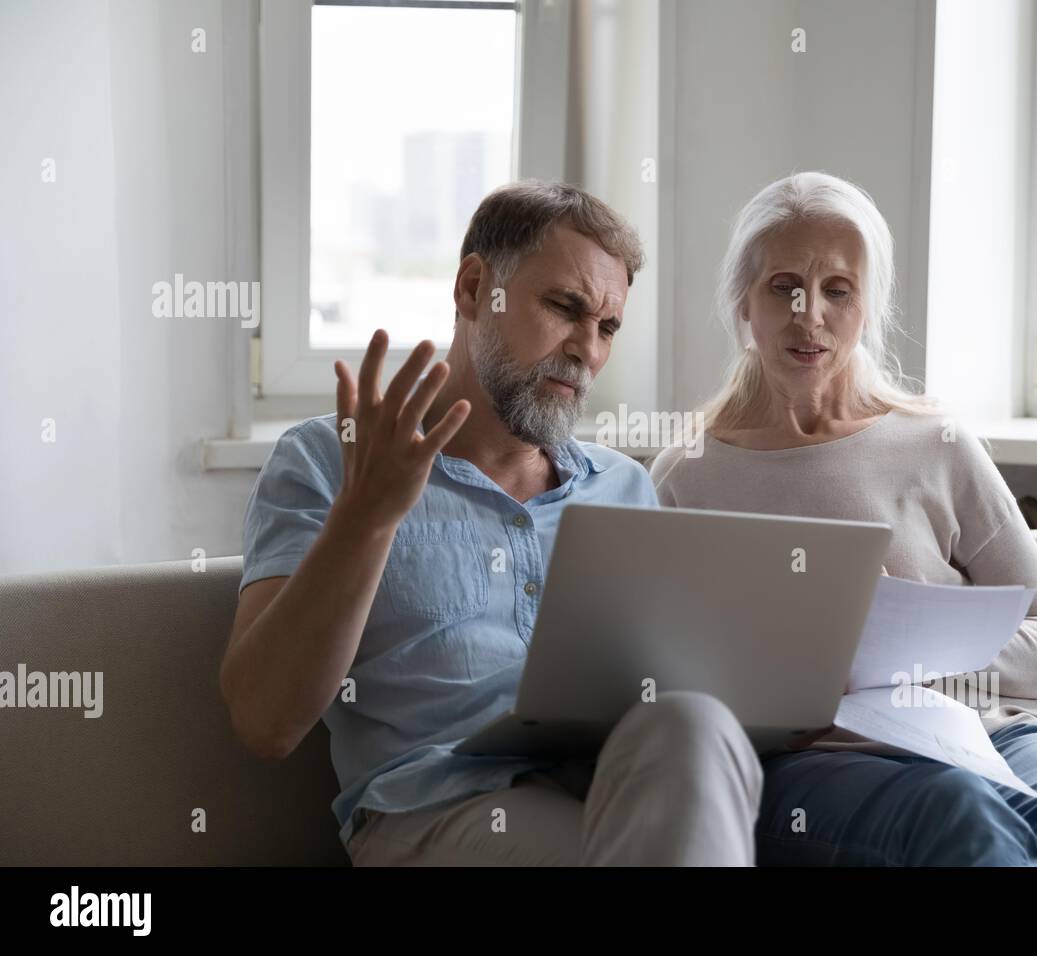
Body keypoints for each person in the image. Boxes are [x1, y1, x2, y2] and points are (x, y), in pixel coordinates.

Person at [220, 181, 762, 866]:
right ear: (475, 289)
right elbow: (264, 721)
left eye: (608, 327)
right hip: (437, 811)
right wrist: (367, 518)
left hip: (611, 790)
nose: (587, 351)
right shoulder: (330, 458)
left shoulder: (622, 485)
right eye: (565, 307)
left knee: (693, 721)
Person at [649, 171, 1037, 866]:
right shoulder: (688, 472)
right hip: (823, 761)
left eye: (839, 290)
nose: (811, 316)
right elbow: (659, 687)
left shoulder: (935, 442)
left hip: (998, 731)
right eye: (784, 287)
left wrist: (914, 666)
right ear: (744, 302)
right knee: (966, 817)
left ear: (868, 309)